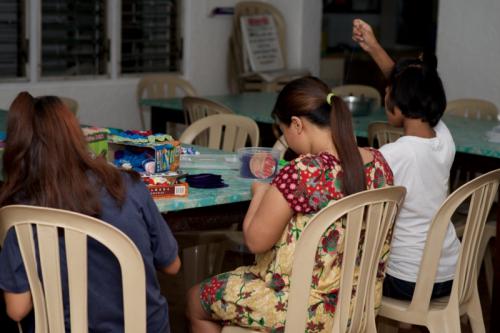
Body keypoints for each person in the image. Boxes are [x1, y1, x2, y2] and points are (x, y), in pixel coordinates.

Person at [186, 76, 394, 332]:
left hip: (302, 309)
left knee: (196, 300)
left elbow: (255, 241)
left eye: (284, 132)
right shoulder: (379, 164)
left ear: (296, 124)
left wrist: (260, 191)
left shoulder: (302, 172)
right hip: (360, 304)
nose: (287, 140)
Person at [0, 93, 181, 332]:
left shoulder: (21, 209)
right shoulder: (127, 185)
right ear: (76, 136)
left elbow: (17, 309)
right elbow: (172, 266)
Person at [352, 19, 460, 300]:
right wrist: (374, 47)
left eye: (388, 92)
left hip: (405, 280)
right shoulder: (443, 140)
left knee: (342, 272)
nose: (385, 94)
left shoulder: (394, 154)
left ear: (398, 101)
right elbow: (412, 86)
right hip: (450, 273)